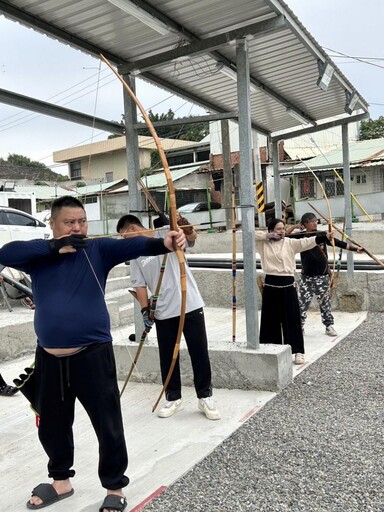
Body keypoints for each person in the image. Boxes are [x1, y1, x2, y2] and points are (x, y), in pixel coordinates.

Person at [0, 196, 186, 512]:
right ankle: (61, 481)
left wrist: (167, 240)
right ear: (53, 224)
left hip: (92, 354)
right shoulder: (37, 255)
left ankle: (115, 487)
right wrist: (52, 248)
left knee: (107, 421)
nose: (78, 228)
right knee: (52, 424)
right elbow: (5, 253)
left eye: (82, 222)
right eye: (70, 222)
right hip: (49, 357)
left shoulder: (97, 250)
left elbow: (137, 246)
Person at [116, 214, 220, 421]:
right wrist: (146, 311)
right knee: (168, 356)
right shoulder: (135, 253)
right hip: (163, 310)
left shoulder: (166, 233)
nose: (123, 241)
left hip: (189, 303)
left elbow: (191, 238)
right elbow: (139, 285)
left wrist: (182, 224)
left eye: (123, 236)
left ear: (132, 230)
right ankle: (173, 397)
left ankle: (205, 396)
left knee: (199, 351)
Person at [256, 218, 333, 365]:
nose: (282, 231)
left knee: (292, 319)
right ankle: (271, 349)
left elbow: (307, 242)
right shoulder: (262, 244)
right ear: (271, 230)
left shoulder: (290, 243)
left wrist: (323, 237)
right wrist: (267, 236)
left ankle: (298, 351)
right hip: (271, 285)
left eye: (283, 229)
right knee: (270, 319)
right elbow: (249, 235)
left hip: (288, 284)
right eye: (278, 229)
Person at [290, 212, 363, 337]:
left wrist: (355, 248)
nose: (315, 223)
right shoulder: (300, 237)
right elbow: (284, 236)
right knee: (302, 303)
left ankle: (328, 326)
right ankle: (299, 326)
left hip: (322, 276)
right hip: (306, 277)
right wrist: (294, 227)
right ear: (305, 224)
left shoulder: (322, 236)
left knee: (325, 303)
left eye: (315, 221)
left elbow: (338, 243)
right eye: (312, 221)